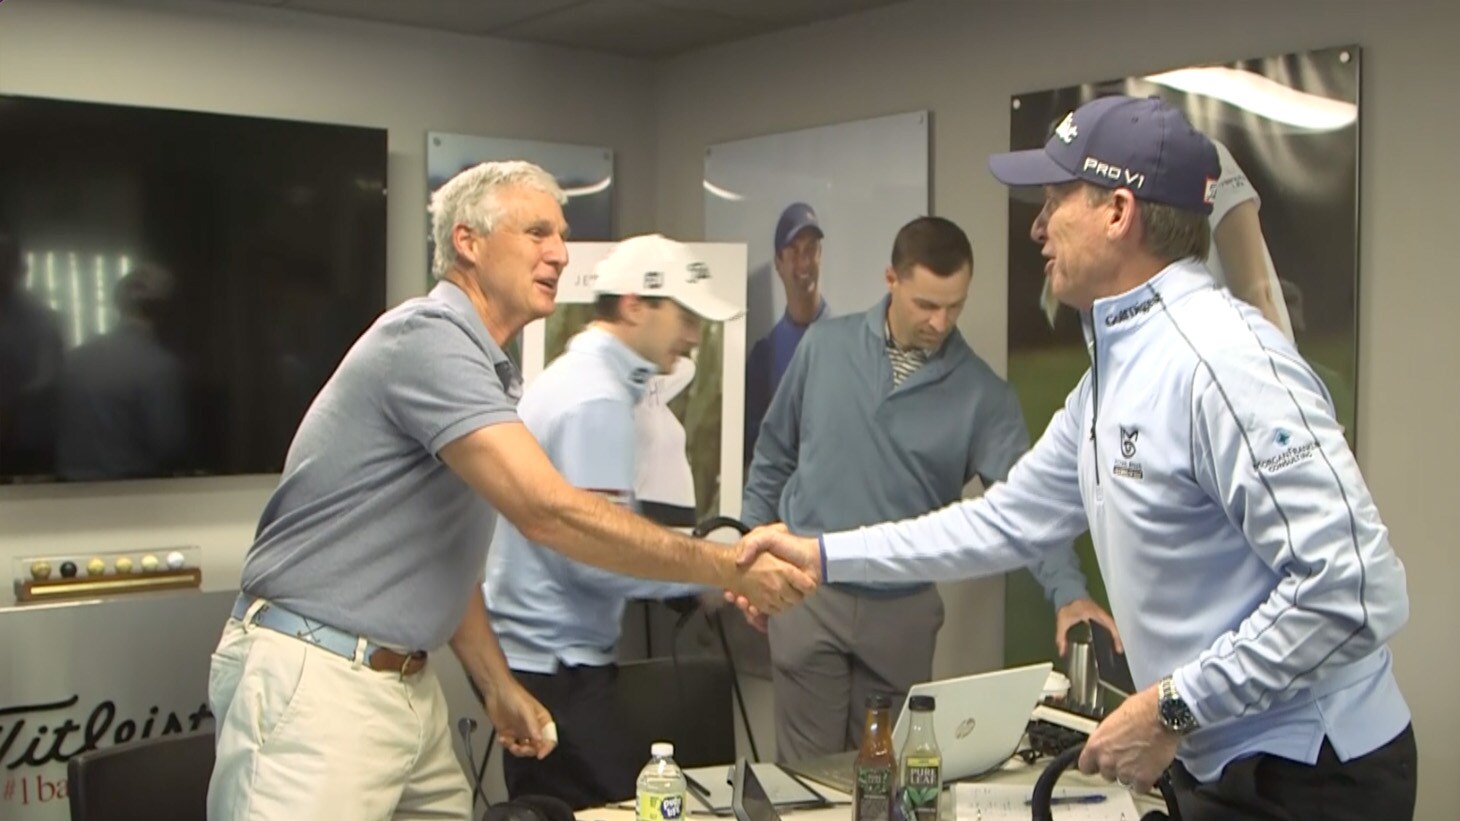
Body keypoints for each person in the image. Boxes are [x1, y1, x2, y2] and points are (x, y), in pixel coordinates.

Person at [736, 96, 1415, 820]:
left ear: (1118, 212)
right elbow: (999, 522)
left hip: (1313, 772)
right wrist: (819, 552)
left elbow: (1355, 593)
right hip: (1215, 760)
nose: (1036, 224)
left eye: (1056, 198)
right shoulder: (1109, 380)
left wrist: (1173, 706)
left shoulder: (1223, 362)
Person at [205, 163, 815, 821]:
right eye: (536, 232)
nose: (559, 251)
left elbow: (444, 559)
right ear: (467, 241)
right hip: (320, 679)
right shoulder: (427, 339)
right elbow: (548, 511)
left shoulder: (488, 374)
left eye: (561, 233)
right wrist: (729, 566)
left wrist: (497, 684)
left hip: (406, 687)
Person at [742, 215, 1118, 762]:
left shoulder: (983, 396)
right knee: (806, 780)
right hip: (808, 597)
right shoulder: (824, 347)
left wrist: (1068, 593)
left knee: (889, 776)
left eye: (955, 306)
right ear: (891, 278)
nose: (941, 323)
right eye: (926, 305)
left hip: (901, 613)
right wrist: (748, 555)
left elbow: (1028, 508)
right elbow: (773, 456)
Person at [484, 233, 741, 808]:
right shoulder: (594, 400)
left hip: (548, 661)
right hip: (557, 669)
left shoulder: (582, 382)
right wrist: (709, 575)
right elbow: (595, 557)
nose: (695, 337)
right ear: (634, 304)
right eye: (685, 317)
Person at [1040, 134, 1294, 342]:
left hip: (1238, 366)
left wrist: (1281, 381)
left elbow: (1259, 294)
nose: (1039, 229)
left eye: (1055, 201)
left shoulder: (1208, 165)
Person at [56, 263, 189, 481]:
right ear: (166, 309)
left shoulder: (73, 359)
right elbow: (168, 447)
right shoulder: (159, 366)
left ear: (118, 302)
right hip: (133, 495)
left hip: (64, 494)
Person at [744, 202, 827, 463]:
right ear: (779, 262)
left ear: (820, 254)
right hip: (782, 499)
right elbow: (746, 443)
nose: (804, 261)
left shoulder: (849, 343)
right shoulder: (764, 356)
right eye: (793, 250)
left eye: (811, 249)